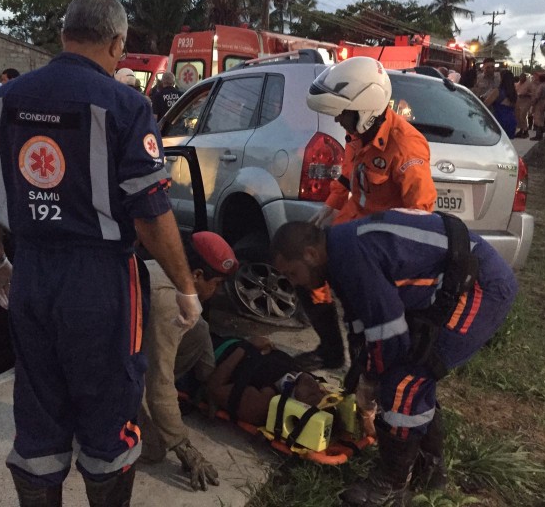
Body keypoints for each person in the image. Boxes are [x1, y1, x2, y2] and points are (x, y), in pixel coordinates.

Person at [0, 0, 203, 507]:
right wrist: (185, 287)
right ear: (118, 43)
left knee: (38, 411)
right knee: (108, 417)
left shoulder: (6, 101)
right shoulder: (125, 104)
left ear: (63, 36)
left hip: (30, 275)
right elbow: (151, 216)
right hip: (100, 286)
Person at [270, 213, 517, 507]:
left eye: (292, 274)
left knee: (408, 378)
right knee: (405, 374)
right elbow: (360, 320)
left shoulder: (351, 257)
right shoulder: (340, 251)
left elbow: (389, 335)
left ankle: (389, 485)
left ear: (310, 254)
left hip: (480, 285)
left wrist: (371, 384)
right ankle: (428, 469)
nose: (293, 283)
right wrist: (361, 372)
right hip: (451, 282)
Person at [298, 56, 437, 371]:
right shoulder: (358, 134)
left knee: (360, 309)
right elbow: (348, 178)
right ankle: (331, 351)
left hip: (380, 245)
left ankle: (365, 366)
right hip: (352, 228)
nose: (337, 122)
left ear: (365, 110)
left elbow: (420, 213)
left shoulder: (405, 148)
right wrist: (330, 207)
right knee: (306, 273)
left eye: (341, 115)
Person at [139, 231, 239, 491]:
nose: (216, 291)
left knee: (196, 331)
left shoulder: (171, 271)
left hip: (128, 347)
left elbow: (200, 330)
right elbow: (159, 385)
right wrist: (184, 448)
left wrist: (208, 382)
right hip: (97, 365)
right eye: (215, 283)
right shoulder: (168, 300)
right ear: (196, 275)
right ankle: (92, 423)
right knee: (154, 448)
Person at [205, 335, 329, 426]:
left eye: (313, 396)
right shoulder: (300, 380)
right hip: (226, 341)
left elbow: (214, 388)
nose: (320, 391)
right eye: (322, 393)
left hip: (212, 351)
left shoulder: (261, 403)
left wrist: (247, 346)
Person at [491, 69, 518, 138]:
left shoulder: (497, 91)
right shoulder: (513, 93)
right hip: (511, 120)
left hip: (499, 120)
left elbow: (485, 104)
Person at [530, 73, 545, 140]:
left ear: (540, 79)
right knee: (541, 118)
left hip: (540, 102)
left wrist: (534, 102)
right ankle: (540, 135)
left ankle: (538, 135)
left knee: (538, 119)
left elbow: (537, 95)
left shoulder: (541, 86)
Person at [513, 72, 534, 138]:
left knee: (522, 115)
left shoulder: (529, 84)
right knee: (518, 115)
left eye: (522, 78)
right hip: (519, 101)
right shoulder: (518, 84)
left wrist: (526, 93)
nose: (521, 79)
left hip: (526, 101)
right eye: (520, 78)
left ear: (525, 78)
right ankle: (521, 130)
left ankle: (526, 130)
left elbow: (533, 93)